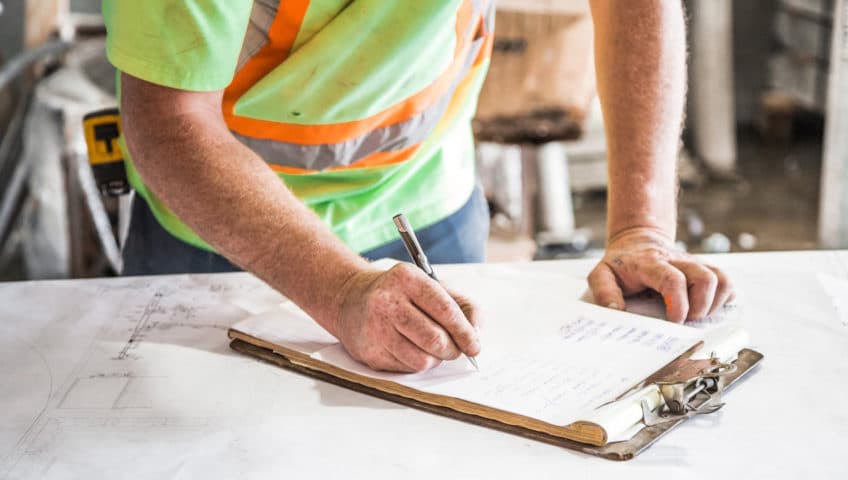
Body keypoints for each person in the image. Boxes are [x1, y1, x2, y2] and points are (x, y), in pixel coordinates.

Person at [103, 0, 733, 373]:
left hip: (430, 202)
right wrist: (341, 288)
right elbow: (168, 121)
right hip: (223, 237)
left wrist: (641, 229)